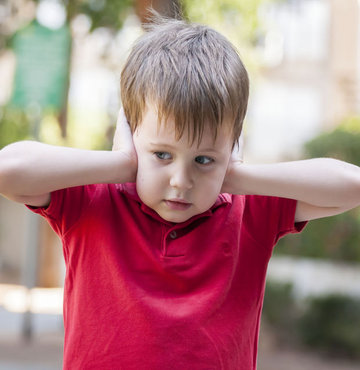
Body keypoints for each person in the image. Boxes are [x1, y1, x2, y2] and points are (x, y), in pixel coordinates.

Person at [0, 14, 359, 370]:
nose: (181, 180)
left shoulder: (248, 213)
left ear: (232, 150)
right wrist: (122, 164)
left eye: (203, 159)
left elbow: (351, 186)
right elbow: (9, 171)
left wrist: (234, 178)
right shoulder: (92, 201)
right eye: (162, 154)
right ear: (130, 133)